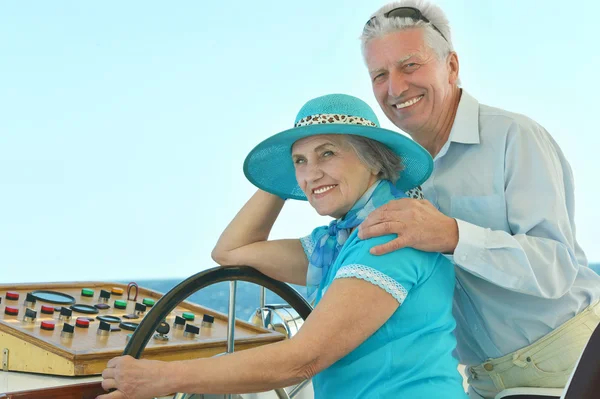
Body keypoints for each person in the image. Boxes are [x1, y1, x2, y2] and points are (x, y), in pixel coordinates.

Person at [97, 94, 468, 399]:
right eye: (299, 162)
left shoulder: (389, 232)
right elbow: (231, 251)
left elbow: (302, 360)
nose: (310, 173)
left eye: (328, 153)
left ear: (372, 160)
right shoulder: (338, 241)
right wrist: (283, 180)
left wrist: (161, 378)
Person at [357, 1, 600, 398]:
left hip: (569, 366)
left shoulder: (514, 137)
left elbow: (554, 268)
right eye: (379, 75)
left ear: (451, 66)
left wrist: (451, 235)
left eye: (410, 66)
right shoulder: (394, 178)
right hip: (483, 383)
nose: (394, 88)